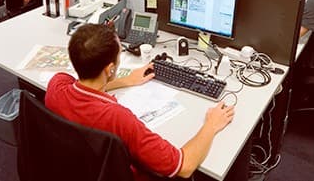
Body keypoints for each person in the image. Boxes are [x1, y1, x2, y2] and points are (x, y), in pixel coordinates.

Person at [45, 24, 235, 180]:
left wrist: (124, 81)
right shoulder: (119, 118)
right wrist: (211, 124)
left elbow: (83, 84)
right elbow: (184, 166)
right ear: (110, 68)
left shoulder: (56, 86)